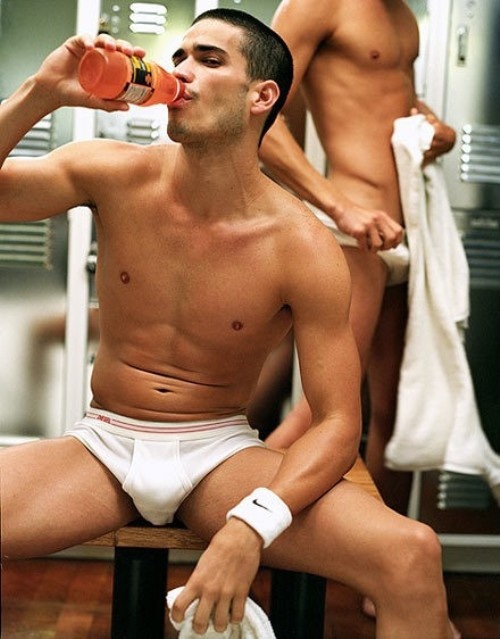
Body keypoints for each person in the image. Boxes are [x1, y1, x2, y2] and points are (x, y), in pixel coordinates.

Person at [0, 9, 456, 637]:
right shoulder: (112, 172)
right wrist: (41, 92)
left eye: (209, 60)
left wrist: (253, 523)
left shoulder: (302, 245)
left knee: (411, 555)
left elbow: (337, 422)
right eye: (180, 57)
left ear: (261, 96)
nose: (182, 71)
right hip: (102, 445)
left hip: (217, 454)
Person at [259, 0, 456, 514]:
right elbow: (259, 118)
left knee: (400, 415)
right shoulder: (317, 5)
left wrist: (436, 128)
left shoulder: (403, 15)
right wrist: (338, 207)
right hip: (354, 232)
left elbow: (391, 98)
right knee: (321, 415)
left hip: (408, 227)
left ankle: (384, 554)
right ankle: (230, 533)